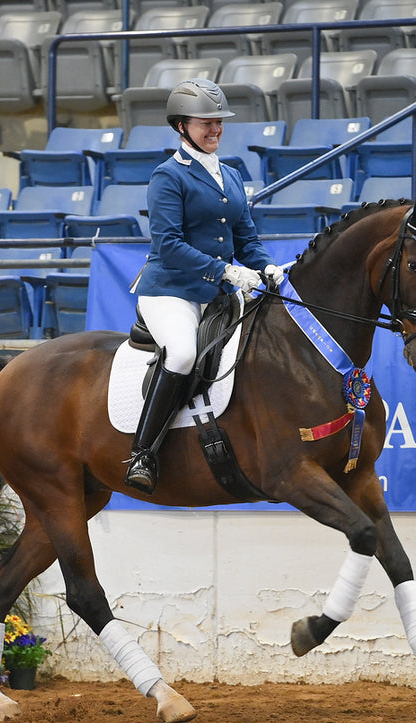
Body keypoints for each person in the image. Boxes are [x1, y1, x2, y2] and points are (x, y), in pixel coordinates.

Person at [125, 78, 285, 494]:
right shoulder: (168, 176)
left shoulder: (231, 176)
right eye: (205, 123)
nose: (214, 130)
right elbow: (168, 244)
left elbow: (246, 239)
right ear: (181, 126)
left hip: (216, 294)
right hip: (170, 290)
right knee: (181, 353)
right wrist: (227, 271)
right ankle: (143, 453)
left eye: (219, 122)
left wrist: (265, 267)